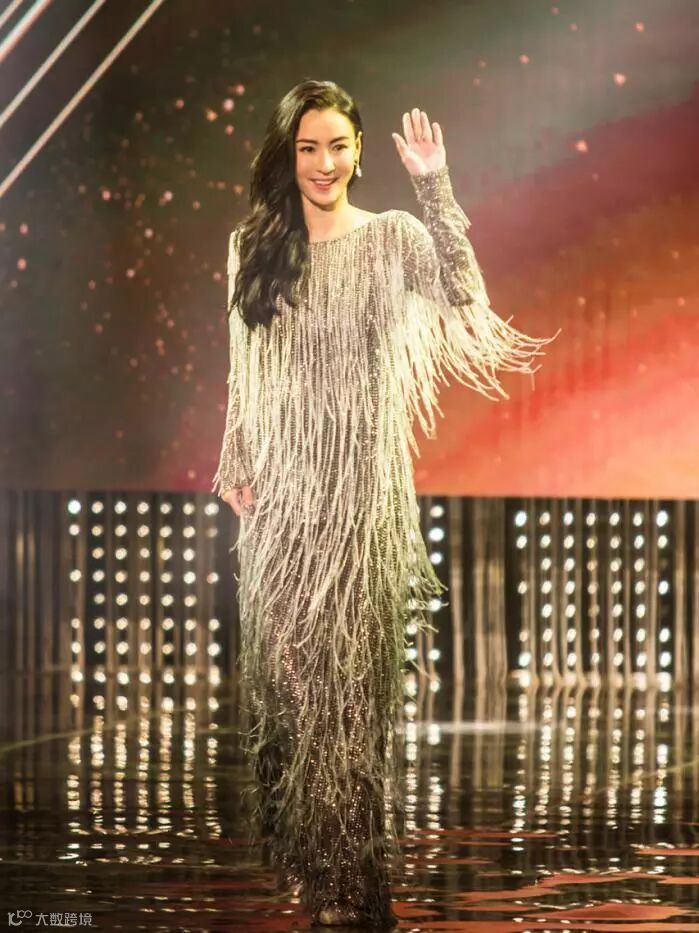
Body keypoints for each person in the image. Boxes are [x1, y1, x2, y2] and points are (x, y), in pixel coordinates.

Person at [212, 79, 555, 927]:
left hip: (358, 501)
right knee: (292, 695)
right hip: (279, 504)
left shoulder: (391, 236)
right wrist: (233, 459)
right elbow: (241, 366)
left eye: (337, 145)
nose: (324, 163)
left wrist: (434, 185)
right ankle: (327, 876)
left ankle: (353, 890)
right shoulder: (251, 247)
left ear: (359, 150)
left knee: (350, 698)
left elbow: (464, 294)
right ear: (286, 154)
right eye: (308, 147)